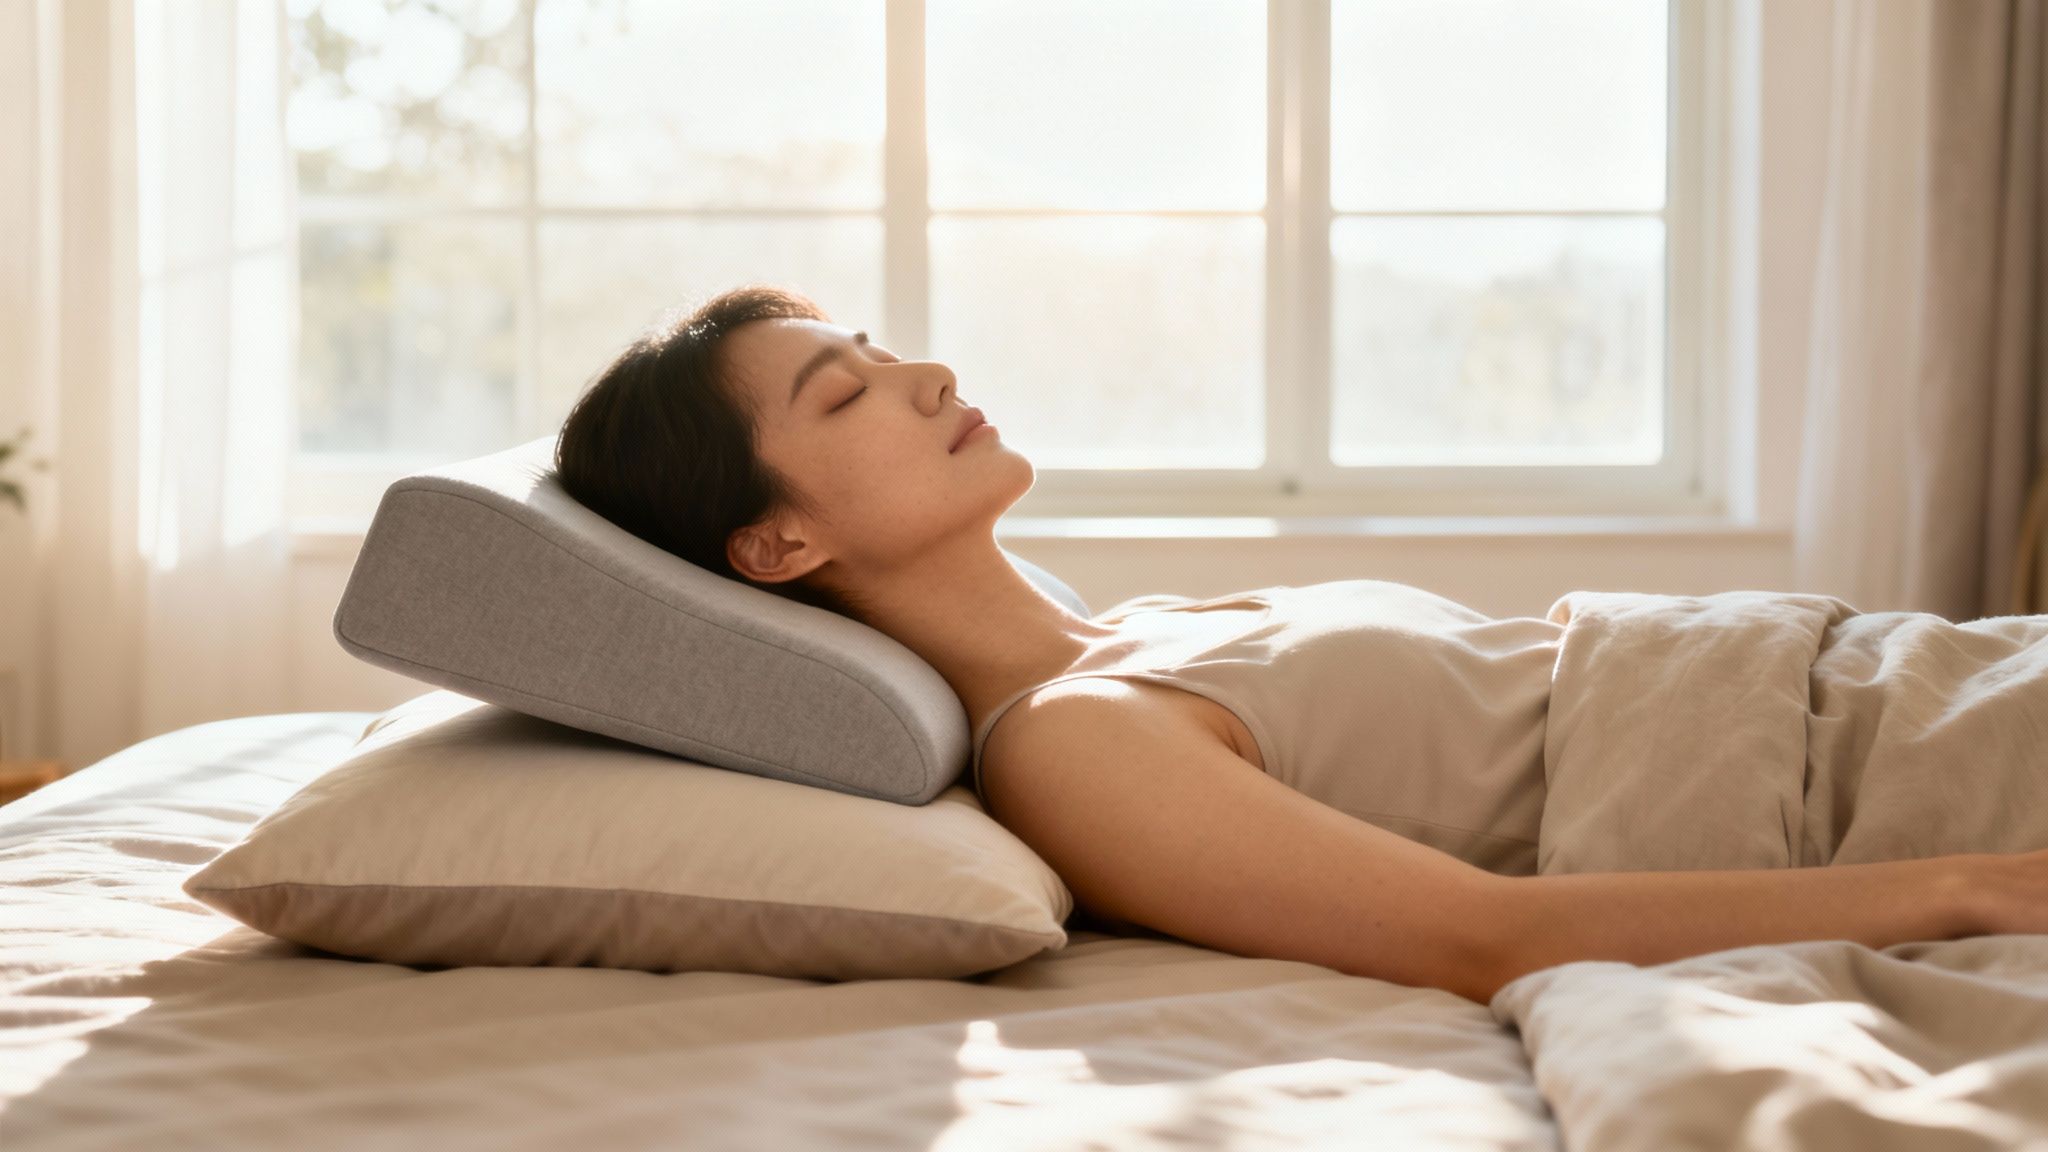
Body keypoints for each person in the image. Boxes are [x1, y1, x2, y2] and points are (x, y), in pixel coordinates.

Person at [552, 283, 2048, 1006]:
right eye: (845, 393)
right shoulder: (1076, 744)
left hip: (1909, 677)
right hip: (1910, 773)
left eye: (877, 348)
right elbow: (1488, 937)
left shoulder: (1138, 629)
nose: (925, 370)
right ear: (777, 546)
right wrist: (1983, 889)